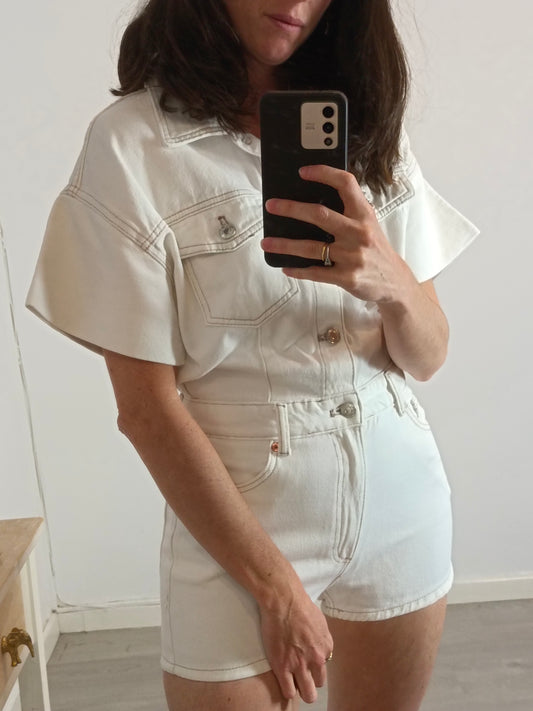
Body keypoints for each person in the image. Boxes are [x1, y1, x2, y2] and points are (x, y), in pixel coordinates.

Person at [27, 1, 479, 709]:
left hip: (401, 498)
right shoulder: (133, 144)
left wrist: (390, 279)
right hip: (241, 521)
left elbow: (428, 355)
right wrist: (274, 587)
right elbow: (146, 410)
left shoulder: (359, 125)